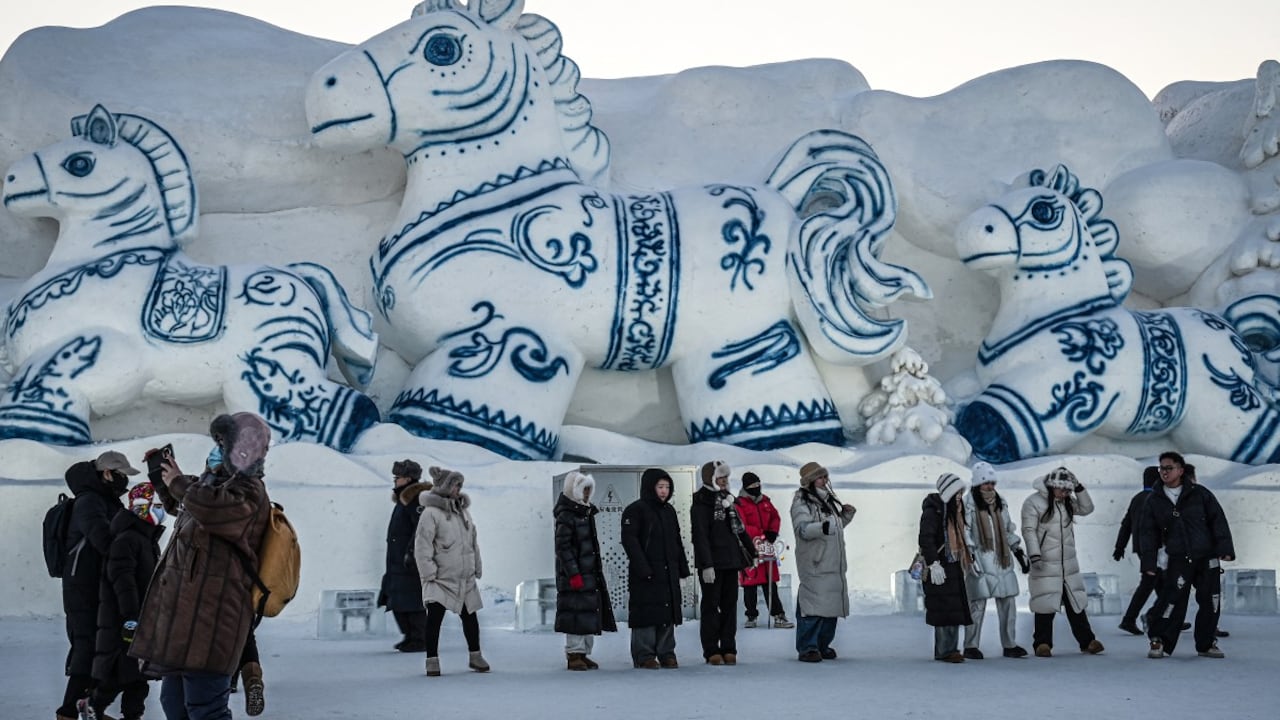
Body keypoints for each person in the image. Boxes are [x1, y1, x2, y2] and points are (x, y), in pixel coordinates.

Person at [128, 413, 272, 720]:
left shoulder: (250, 491)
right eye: (217, 443)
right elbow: (186, 504)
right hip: (184, 623)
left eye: (224, 443)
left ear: (242, 450)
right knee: (175, 705)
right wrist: (164, 477)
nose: (216, 450)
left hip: (213, 619)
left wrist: (179, 483)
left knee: (206, 710)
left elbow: (210, 508)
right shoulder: (213, 485)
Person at [57, 450, 138, 720]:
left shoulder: (105, 500)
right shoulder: (89, 501)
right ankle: (68, 712)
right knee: (87, 648)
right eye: (121, 475)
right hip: (83, 589)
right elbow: (104, 540)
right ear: (106, 473)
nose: (124, 483)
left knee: (102, 649)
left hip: (98, 588)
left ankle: (87, 706)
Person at [81, 481, 164, 720]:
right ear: (141, 507)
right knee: (123, 673)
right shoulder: (128, 539)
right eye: (154, 505)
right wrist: (131, 618)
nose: (160, 510)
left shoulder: (146, 539)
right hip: (124, 622)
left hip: (140, 619)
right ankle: (93, 704)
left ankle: (131, 715)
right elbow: (123, 581)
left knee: (139, 677)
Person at [1140, 451, 1235, 659]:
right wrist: (1149, 561)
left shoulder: (1200, 494)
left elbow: (1217, 520)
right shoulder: (1155, 500)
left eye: (1169, 468)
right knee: (1171, 600)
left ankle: (1206, 643)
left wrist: (1225, 549)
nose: (1164, 472)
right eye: (1161, 468)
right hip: (1178, 558)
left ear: (1181, 471)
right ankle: (1159, 641)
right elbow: (1148, 533)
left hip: (1206, 555)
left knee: (1211, 600)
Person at [1021, 467, 1104, 658]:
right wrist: (1034, 554)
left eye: (1069, 490)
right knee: (1045, 603)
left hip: (1067, 564)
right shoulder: (1033, 502)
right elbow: (1028, 530)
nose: (1067, 493)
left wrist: (1079, 488)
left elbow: (1087, 508)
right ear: (1053, 487)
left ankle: (1087, 641)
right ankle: (1042, 643)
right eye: (1064, 490)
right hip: (1044, 562)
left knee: (1076, 603)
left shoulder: (1066, 502)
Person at [415, 466, 488, 677]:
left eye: (460, 485)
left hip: (464, 577)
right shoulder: (430, 513)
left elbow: (472, 541)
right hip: (440, 578)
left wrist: (477, 565)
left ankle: (475, 655)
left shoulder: (463, 512)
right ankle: (432, 660)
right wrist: (429, 572)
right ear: (445, 487)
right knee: (434, 619)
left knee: (470, 617)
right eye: (455, 485)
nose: (458, 489)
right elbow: (423, 545)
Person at [620, 468, 690, 670]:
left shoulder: (669, 511)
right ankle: (644, 655)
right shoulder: (635, 510)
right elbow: (630, 541)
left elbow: (677, 541)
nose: (664, 491)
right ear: (650, 487)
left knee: (667, 614)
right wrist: (644, 569)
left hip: (668, 572)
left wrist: (682, 570)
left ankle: (666, 652)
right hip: (646, 574)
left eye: (667, 487)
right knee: (646, 614)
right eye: (660, 487)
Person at [690, 460, 756, 666]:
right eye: (720, 478)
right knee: (711, 607)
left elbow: (740, 530)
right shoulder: (701, 502)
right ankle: (711, 649)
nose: (725, 481)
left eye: (726, 477)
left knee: (729, 606)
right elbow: (700, 536)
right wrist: (707, 564)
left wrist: (752, 554)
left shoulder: (729, 501)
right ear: (710, 479)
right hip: (712, 564)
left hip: (730, 562)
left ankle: (729, 646)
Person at [790, 461, 856, 663]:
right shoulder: (802, 502)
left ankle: (822, 644)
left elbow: (832, 528)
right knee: (812, 605)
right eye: (821, 477)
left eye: (826, 476)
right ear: (810, 481)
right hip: (815, 562)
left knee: (830, 606)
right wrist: (822, 527)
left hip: (832, 562)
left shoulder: (828, 501)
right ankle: (807, 646)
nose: (825, 480)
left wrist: (845, 516)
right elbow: (802, 529)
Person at [961, 462, 1029, 659]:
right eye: (986, 483)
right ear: (977, 484)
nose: (990, 487)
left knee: (1008, 602)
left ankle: (1009, 644)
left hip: (1002, 558)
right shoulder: (969, 504)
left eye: (992, 483)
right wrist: (971, 556)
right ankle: (970, 645)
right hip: (981, 559)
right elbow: (966, 532)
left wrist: (1017, 550)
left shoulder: (1000, 502)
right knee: (977, 603)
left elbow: (1007, 529)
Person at [553, 470, 617, 670]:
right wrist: (573, 573)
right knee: (575, 613)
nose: (587, 494)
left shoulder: (586, 513)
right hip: (576, 575)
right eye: (584, 490)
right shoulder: (567, 515)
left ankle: (584, 652)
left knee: (588, 613)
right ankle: (574, 653)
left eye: (589, 490)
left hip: (589, 573)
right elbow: (563, 547)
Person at [921, 472, 974, 663]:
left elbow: (962, 536)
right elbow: (926, 539)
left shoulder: (955, 512)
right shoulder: (933, 511)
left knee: (954, 609)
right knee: (943, 609)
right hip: (940, 565)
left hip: (953, 565)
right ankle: (945, 650)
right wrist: (934, 563)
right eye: (957, 493)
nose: (960, 497)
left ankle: (951, 648)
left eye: (961, 492)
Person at [378, 459, 429, 653]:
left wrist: (411, 554)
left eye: (397, 477)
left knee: (413, 600)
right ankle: (409, 636)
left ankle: (419, 637)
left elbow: (421, 530)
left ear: (408, 478)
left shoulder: (416, 500)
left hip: (410, 562)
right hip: (397, 561)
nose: (395, 480)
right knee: (397, 598)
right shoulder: (404, 499)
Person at [734, 471, 793, 629]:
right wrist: (760, 532)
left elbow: (775, 517)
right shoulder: (739, 503)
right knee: (750, 582)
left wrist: (772, 531)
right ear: (746, 487)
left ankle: (778, 614)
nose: (756, 488)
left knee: (770, 581)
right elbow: (742, 525)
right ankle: (751, 615)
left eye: (758, 485)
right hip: (749, 548)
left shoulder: (766, 501)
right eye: (752, 486)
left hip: (767, 546)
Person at [1114, 466, 1160, 635]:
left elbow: (1126, 524)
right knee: (1153, 583)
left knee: (1160, 584)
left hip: (1142, 548)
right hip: (1155, 549)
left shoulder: (1138, 498)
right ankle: (1133, 618)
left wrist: (1119, 547)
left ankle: (1164, 615)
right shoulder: (1156, 499)